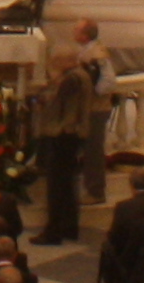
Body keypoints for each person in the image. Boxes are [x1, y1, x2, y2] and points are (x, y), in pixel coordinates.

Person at [33, 20, 103, 244]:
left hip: (63, 135)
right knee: (68, 185)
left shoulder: (71, 79)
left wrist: (43, 95)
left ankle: (53, 231)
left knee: (57, 186)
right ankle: (69, 228)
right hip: (72, 136)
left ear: (64, 61)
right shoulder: (80, 75)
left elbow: (53, 104)